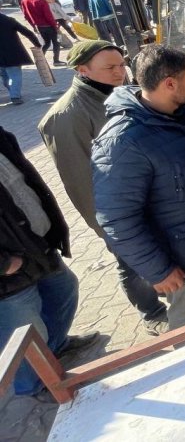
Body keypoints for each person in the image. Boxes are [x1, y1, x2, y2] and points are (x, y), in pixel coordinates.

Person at [92, 45, 185, 330]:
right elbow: (117, 217)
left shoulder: (183, 113)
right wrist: (158, 269)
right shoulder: (123, 140)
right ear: (170, 83)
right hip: (181, 262)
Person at [38, 40, 168, 335]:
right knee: (131, 262)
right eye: (109, 67)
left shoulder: (125, 93)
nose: (119, 72)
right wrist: (108, 227)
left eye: (121, 65)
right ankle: (151, 311)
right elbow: (79, 181)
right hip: (119, 209)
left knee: (155, 251)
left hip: (150, 198)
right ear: (82, 69)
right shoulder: (66, 117)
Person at [0, 126, 99, 397]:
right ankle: (35, 386)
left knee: (64, 290)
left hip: (36, 246)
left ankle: (54, 348)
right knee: (22, 335)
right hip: (9, 272)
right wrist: (4, 264)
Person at [0, 12, 41, 105]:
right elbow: (27, 32)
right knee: (14, 75)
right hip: (12, 53)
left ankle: (13, 91)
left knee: (5, 75)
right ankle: (15, 95)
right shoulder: (9, 20)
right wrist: (37, 44)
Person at [20, 0, 64, 66]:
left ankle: (40, 60)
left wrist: (33, 26)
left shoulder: (24, 1)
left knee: (46, 43)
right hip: (48, 26)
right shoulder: (41, 1)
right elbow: (48, 15)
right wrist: (55, 26)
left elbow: (26, 15)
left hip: (38, 26)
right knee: (57, 42)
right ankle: (56, 61)